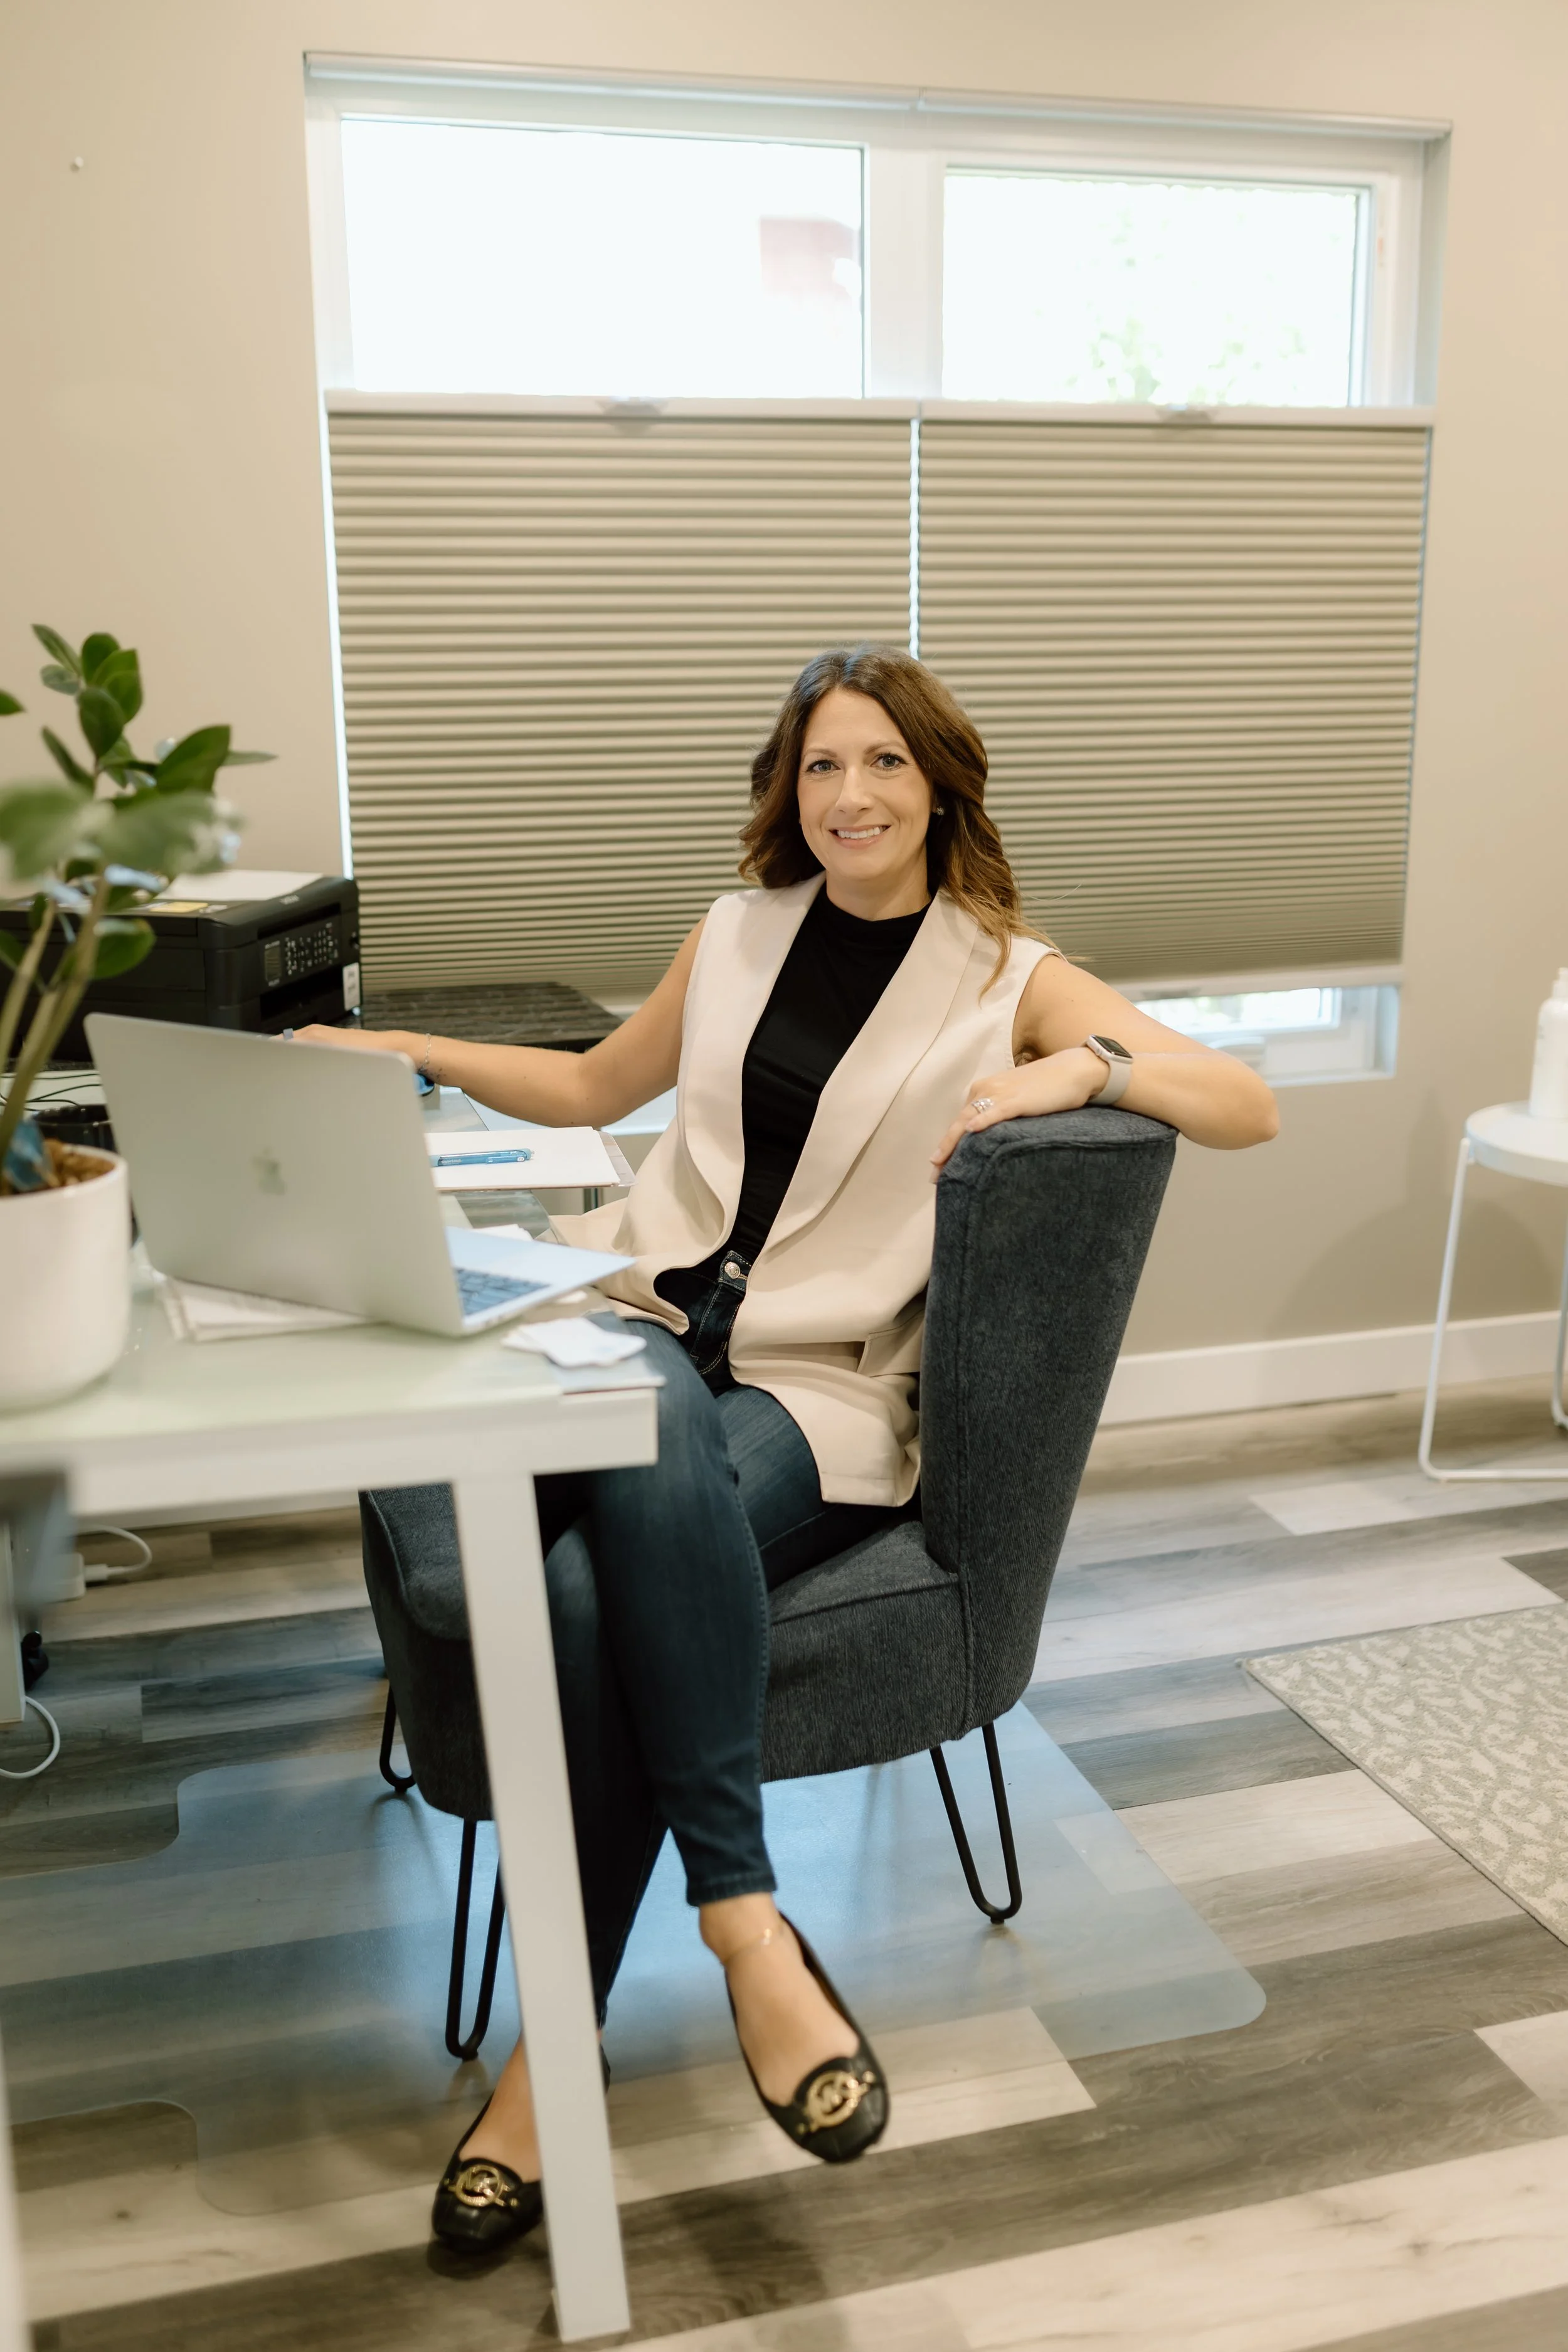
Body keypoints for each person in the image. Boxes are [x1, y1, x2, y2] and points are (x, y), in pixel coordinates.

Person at [299, 644, 1278, 2251]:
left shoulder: (1000, 970)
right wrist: (399, 1055)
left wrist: (1081, 1064)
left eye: (882, 764)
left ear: (940, 784)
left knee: (572, 1600)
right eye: (821, 767)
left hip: (806, 1400)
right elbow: (587, 1085)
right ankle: (746, 1924)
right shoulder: (736, 931)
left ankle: (551, 2075)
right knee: (628, 1434)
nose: (850, 796)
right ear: (789, 792)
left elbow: (1242, 1104)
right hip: (628, 1318)